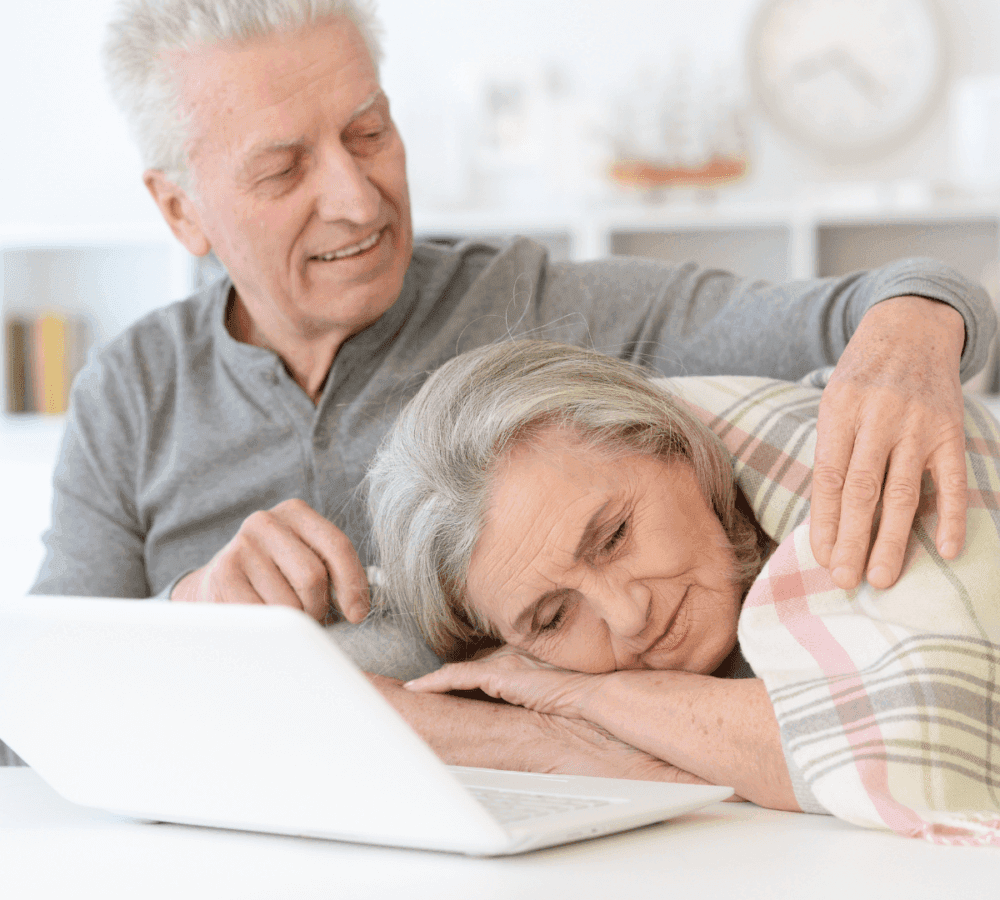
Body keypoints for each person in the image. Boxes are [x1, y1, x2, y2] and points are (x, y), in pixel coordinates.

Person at [17, 0, 998, 775]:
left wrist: (910, 340)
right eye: (283, 170)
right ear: (180, 207)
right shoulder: (131, 388)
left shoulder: (551, 308)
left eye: (368, 133)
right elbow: (31, 713)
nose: (357, 199)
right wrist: (185, 618)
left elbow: (893, 297)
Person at [367, 340, 1000, 841]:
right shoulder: (491, 585)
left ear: (674, 445)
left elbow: (935, 761)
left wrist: (578, 707)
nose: (627, 614)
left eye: (613, 537)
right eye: (555, 617)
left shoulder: (856, 453)